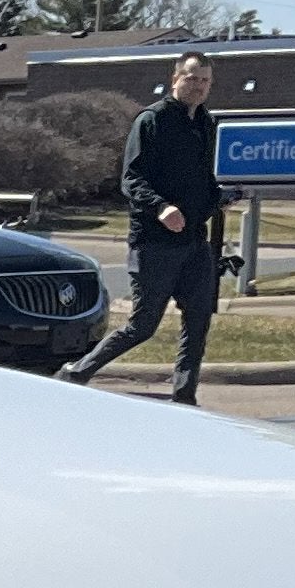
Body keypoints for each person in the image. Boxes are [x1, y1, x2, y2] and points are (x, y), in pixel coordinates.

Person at [62, 52, 228, 400]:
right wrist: (161, 208)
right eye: (192, 78)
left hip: (194, 241)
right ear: (176, 80)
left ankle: (184, 397)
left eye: (204, 81)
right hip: (154, 242)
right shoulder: (152, 120)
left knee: (198, 320)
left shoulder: (207, 124)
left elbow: (203, 181)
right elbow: (131, 178)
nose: (198, 86)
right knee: (143, 325)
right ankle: (75, 373)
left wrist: (220, 198)